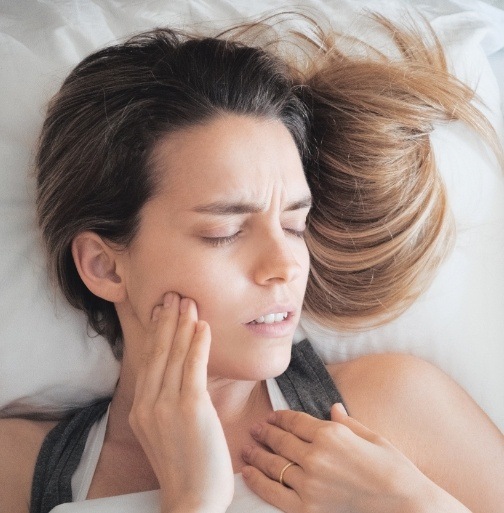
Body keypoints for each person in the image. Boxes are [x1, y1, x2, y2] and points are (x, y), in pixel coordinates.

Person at [0, 12, 503, 513]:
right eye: (226, 232)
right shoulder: (20, 471)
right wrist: (193, 499)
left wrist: (414, 503)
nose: (284, 265)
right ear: (106, 267)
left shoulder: (389, 408)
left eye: (294, 225)